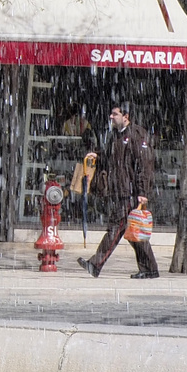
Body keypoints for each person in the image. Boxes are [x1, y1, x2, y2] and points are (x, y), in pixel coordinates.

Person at [79, 103, 158, 279]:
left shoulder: (137, 136)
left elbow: (145, 166)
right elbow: (111, 158)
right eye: (111, 113)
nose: (111, 117)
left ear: (126, 116)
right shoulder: (117, 136)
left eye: (115, 114)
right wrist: (97, 156)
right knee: (134, 234)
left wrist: (142, 192)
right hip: (122, 191)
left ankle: (95, 264)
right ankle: (150, 269)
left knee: (115, 229)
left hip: (130, 194)